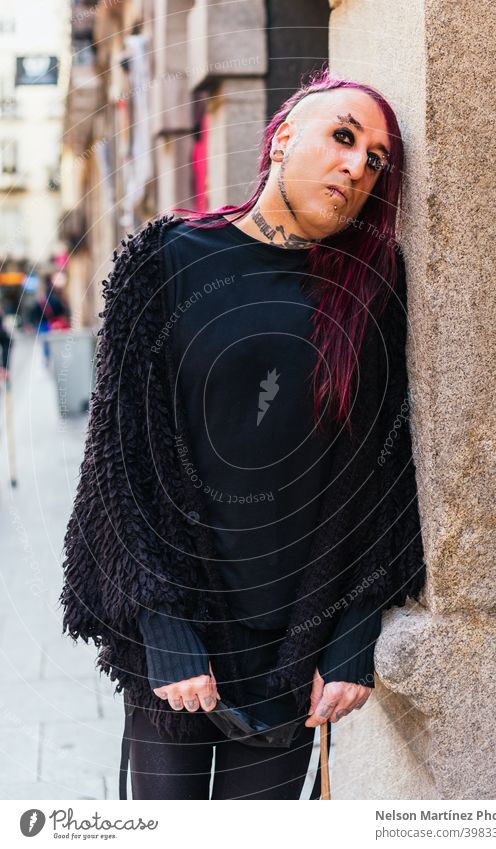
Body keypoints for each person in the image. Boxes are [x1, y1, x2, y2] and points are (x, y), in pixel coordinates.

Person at [59, 67, 426, 800]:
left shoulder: (370, 289)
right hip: (181, 627)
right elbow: (121, 459)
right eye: (344, 137)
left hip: (291, 643)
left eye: (376, 160)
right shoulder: (165, 260)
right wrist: (162, 627)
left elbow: (383, 478)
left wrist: (351, 635)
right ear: (285, 136)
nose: (357, 166)